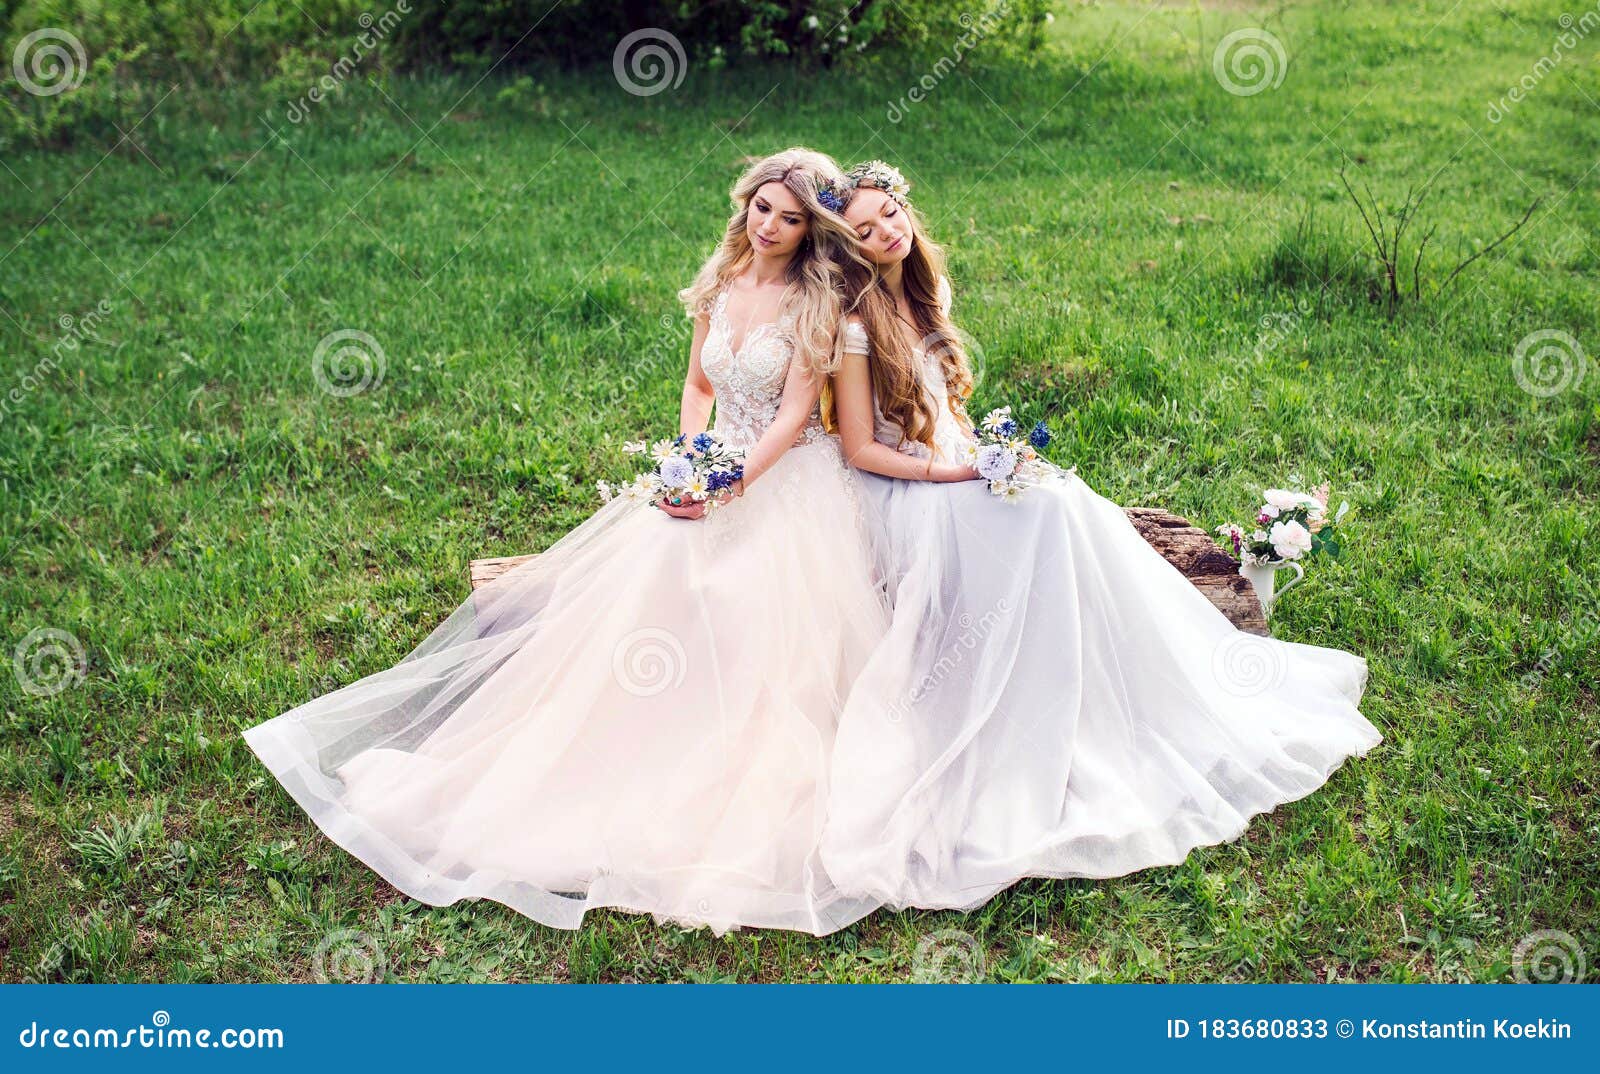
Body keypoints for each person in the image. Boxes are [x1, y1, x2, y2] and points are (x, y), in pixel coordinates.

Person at [243, 148, 890, 937]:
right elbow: (698, 386)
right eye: (763, 208)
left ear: (810, 228)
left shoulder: (813, 302)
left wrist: (728, 486)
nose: (771, 228)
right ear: (746, 202)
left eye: (791, 220)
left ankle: (717, 778)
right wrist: (691, 461)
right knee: (648, 584)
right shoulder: (721, 283)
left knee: (746, 603)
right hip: (710, 468)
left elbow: (793, 418)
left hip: (784, 482)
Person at [819, 160, 1384, 910]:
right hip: (901, 491)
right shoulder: (857, 326)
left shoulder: (926, 295)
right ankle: (1034, 714)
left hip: (952, 469)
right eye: (864, 231)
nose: (885, 233)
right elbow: (860, 448)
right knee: (1047, 513)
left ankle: (1119, 680)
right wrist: (957, 476)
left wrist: (990, 456)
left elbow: (950, 413)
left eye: (890, 214)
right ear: (848, 248)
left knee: (1062, 501)